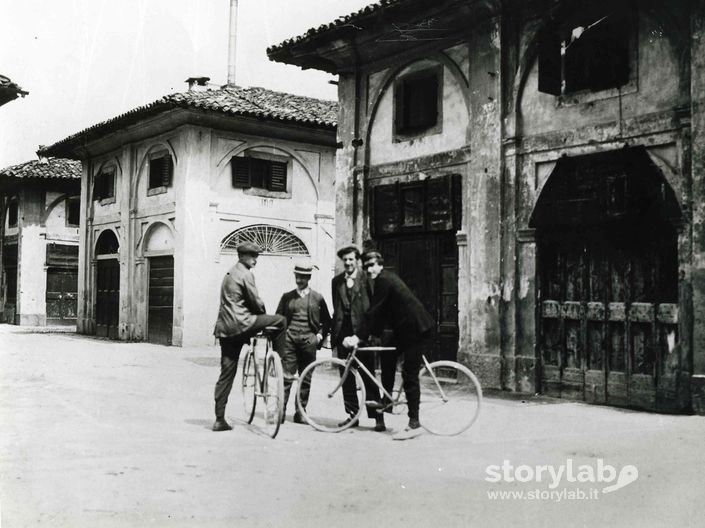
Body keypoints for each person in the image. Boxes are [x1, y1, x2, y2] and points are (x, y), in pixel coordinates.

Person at [343, 250, 434, 438]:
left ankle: (414, 422)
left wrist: (358, 336)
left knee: (410, 375)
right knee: (388, 355)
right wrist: (368, 334)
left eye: (372, 265)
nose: (369, 270)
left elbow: (375, 311)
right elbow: (382, 313)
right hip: (404, 329)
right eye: (366, 267)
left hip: (415, 329)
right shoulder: (383, 279)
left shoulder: (384, 280)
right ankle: (387, 401)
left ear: (380, 265)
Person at [212, 242, 286, 432]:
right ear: (243, 256)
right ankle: (280, 363)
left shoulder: (229, 273)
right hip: (242, 324)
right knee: (280, 320)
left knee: (226, 373)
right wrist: (263, 316)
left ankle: (219, 419)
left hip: (225, 330)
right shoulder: (246, 274)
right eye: (253, 256)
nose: (256, 260)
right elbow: (256, 303)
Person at [331, 245, 386, 432]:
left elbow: (374, 308)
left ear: (356, 261)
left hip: (362, 335)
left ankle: (378, 417)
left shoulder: (366, 279)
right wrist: (335, 334)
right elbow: (337, 308)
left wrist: (367, 333)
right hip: (342, 334)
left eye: (351, 259)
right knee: (346, 377)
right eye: (345, 260)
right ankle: (352, 416)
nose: (347, 263)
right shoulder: (336, 281)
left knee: (367, 375)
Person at [275, 263, 332, 423]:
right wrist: (283, 335)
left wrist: (319, 336)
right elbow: (278, 317)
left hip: (309, 342)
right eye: (297, 276)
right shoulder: (287, 297)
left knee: (306, 377)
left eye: (303, 277)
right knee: (286, 377)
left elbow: (327, 321)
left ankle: (301, 412)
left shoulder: (317, 298)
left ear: (309, 278)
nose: (299, 280)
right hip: (290, 341)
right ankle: (281, 410)